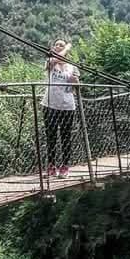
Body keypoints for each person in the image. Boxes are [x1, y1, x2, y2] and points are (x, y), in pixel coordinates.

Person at [43, 38, 80, 177]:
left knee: (65, 137)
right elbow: (56, 59)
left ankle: (65, 167)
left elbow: (77, 88)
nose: (58, 46)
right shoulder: (50, 62)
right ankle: (51, 166)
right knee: (51, 137)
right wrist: (68, 46)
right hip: (50, 105)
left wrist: (75, 81)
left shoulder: (72, 66)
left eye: (61, 45)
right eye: (56, 44)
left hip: (67, 106)